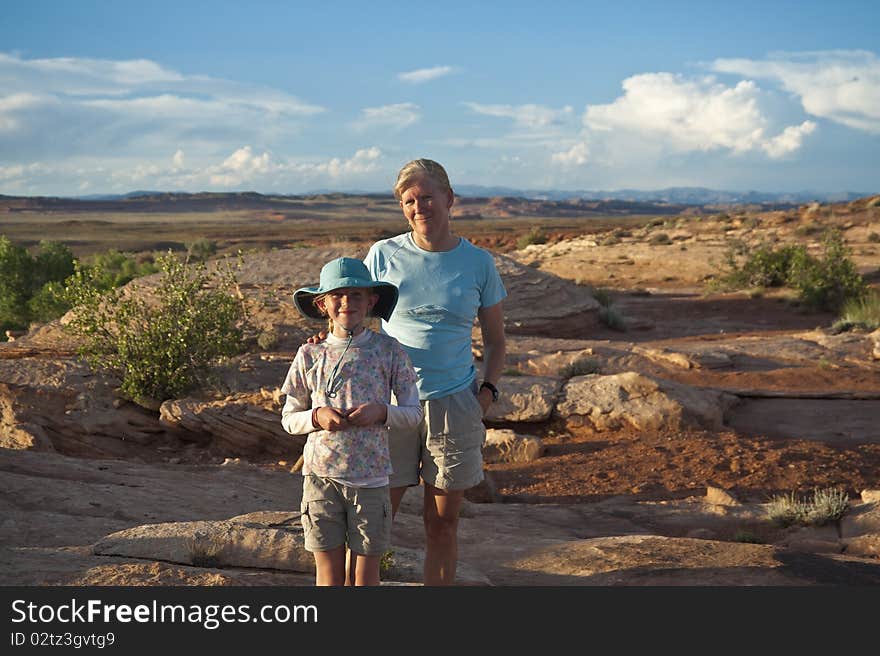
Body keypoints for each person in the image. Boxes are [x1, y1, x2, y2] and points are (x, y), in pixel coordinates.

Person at [366, 158, 507, 585]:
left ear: (449, 200)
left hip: (455, 404)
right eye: (409, 200)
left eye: (427, 197)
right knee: (374, 522)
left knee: (442, 522)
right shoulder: (384, 256)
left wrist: (485, 395)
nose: (419, 206)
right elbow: (351, 320)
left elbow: (497, 341)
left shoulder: (478, 263)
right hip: (393, 404)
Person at [280, 257, 422, 586]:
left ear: (371, 301)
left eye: (357, 295)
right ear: (322, 304)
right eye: (338, 295)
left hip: (371, 480)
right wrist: (317, 417)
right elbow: (289, 419)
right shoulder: (309, 355)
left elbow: (414, 412)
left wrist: (381, 411)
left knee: (365, 576)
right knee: (328, 576)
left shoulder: (390, 351)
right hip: (320, 479)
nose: (347, 303)